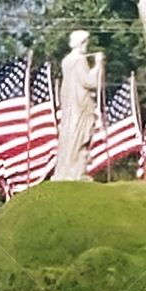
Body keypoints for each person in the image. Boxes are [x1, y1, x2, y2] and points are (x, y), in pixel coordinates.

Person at [51, 30, 103, 181]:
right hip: (80, 106)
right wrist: (98, 65)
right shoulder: (79, 60)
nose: (87, 46)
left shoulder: (66, 61)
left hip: (70, 106)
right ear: (81, 43)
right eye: (86, 42)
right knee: (80, 139)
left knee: (71, 139)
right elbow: (90, 82)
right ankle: (74, 173)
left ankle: (68, 171)